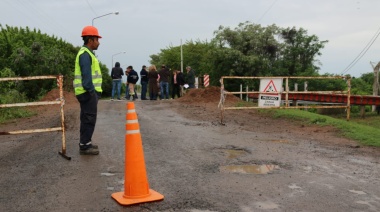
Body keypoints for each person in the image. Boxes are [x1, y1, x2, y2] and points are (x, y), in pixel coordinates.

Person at [73, 26, 102, 155]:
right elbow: (86, 78)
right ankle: (85, 146)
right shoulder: (85, 54)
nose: (99, 42)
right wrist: (92, 92)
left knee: (86, 118)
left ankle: (86, 143)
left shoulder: (87, 53)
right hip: (87, 93)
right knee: (89, 118)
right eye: (97, 39)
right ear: (90, 40)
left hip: (86, 92)